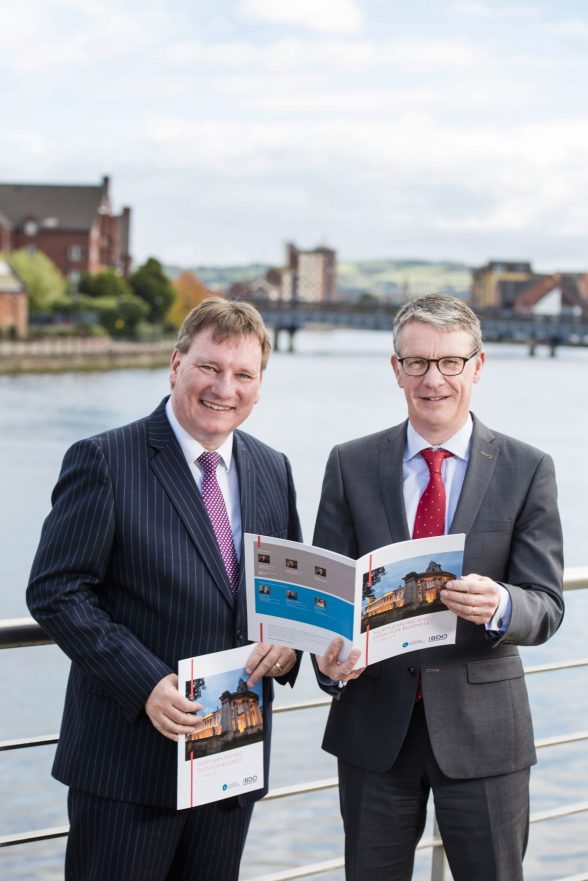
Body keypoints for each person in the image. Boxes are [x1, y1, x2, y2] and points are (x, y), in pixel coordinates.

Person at [26, 299, 302, 881]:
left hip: (231, 761)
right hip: (129, 768)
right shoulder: (105, 459)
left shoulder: (272, 468)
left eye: (243, 374)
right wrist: (144, 682)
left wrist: (289, 645)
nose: (225, 387)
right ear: (176, 365)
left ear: (259, 385)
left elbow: (285, 599)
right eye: (210, 367)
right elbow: (56, 591)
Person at [313, 294, 564, 881]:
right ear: (395, 368)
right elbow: (330, 598)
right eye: (418, 363)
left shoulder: (528, 468)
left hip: (485, 734)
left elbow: (546, 604)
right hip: (374, 731)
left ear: (478, 365)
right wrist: (328, 661)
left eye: (450, 362)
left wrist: (501, 603)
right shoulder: (349, 464)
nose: (434, 379)